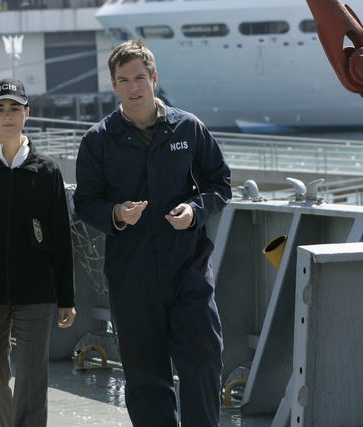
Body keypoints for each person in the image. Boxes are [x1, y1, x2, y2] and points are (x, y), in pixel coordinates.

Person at [73, 40, 232, 427]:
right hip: (132, 274)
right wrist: (116, 213)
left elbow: (220, 183)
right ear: (114, 85)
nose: (134, 87)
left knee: (203, 360)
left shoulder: (188, 127)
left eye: (140, 78)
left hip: (188, 268)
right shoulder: (98, 139)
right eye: (124, 80)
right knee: (145, 376)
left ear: (154, 78)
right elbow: (86, 202)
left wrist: (194, 211)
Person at [0, 78, 76, 427]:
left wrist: (66, 297)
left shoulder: (46, 170)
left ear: (27, 113)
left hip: (37, 291)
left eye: (14, 109)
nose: (7, 115)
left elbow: (60, 237)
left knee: (32, 381)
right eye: (0, 109)